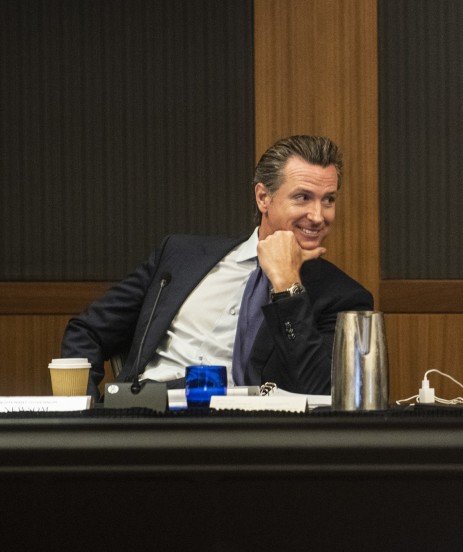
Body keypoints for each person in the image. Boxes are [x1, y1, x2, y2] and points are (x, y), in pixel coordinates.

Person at [62, 135, 373, 399]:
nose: (318, 215)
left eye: (328, 199)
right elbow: (87, 332)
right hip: (145, 418)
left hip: (239, 436)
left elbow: (320, 389)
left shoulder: (343, 297)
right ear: (263, 197)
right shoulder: (181, 256)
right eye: (303, 197)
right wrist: (90, 412)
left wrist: (287, 286)